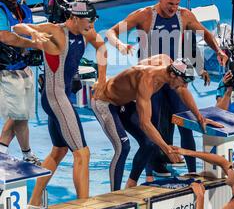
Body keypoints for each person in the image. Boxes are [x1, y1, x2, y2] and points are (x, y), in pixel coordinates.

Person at [106, 0, 227, 178]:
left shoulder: (184, 15)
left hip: (173, 78)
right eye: (170, 3)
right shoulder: (144, 15)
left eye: (177, 3)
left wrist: (218, 51)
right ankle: (152, 173)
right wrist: (119, 44)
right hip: (150, 80)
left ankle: (191, 172)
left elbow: (206, 33)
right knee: (152, 126)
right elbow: (111, 32)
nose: (173, 8)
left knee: (186, 124)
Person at [14, 0, 106, 205]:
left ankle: (34, 201)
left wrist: (102, 79)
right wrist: (33, 32)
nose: (92, 26)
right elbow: (17, 27)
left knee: (59, 150)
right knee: (83, 153)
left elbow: (102, 48)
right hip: (56, 98)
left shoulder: (86, 32)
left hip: (59, 98)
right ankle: (83, 207)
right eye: (89, 21)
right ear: (74, 17)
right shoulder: (55, 31)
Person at [91, 54, 223, 190]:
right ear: (172, 75)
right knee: (123, 147)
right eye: (184, 81)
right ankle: (114, 196)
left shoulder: (166, 62)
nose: (185, 85)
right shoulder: (146, 80)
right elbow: (145, 123)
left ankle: (131, 183)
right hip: (105, 102)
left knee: (149, 143)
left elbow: (182, 90)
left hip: (124, 102)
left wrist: (200, 117)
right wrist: (167, 149)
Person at [0, 0, 49, 165]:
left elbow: (32, 29)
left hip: (24, 67)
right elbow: (5, 37)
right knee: (18, 114)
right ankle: (2, 153)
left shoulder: (22, 8)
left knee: (23, 116)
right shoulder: (1, 10)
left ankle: (27, 154)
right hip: (7, 71)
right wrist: (34, 44)